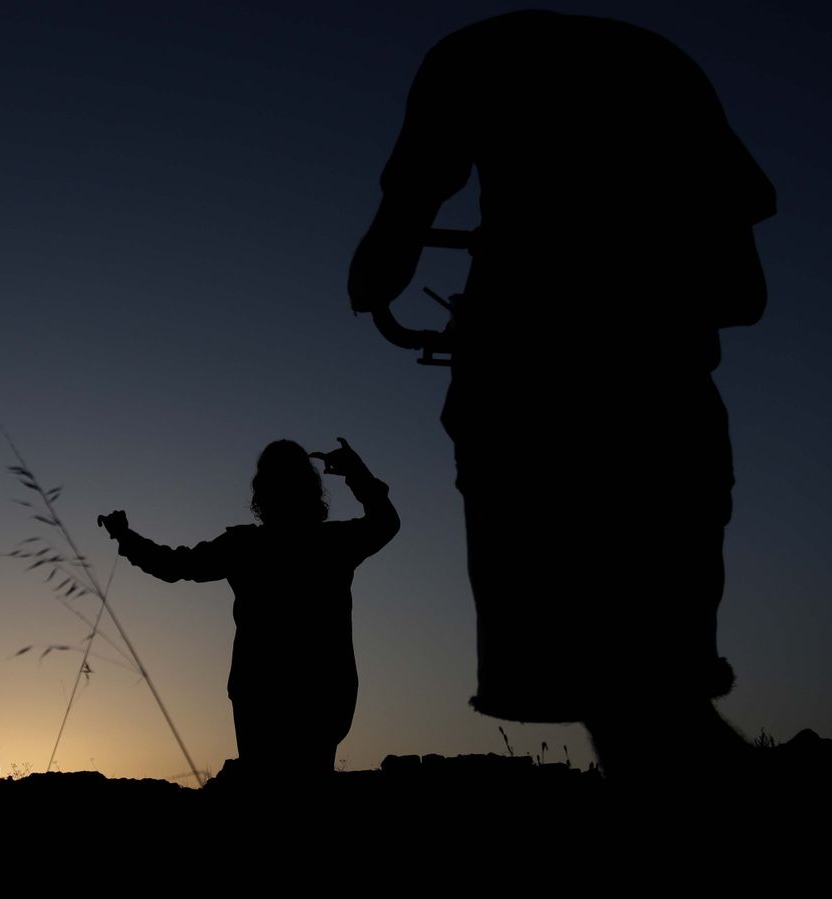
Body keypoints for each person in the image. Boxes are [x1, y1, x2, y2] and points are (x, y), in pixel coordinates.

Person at [347, 11, 775, 783]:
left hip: (528, 415)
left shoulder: (467, 58)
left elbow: (379, 264)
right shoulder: (665, 62)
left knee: (634, 707)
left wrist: (528, 284)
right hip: (671, 418)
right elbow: (743, 291)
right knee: (651, 692)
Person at [98, 438, 399, 778]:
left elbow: (174, 565)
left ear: (261, 492)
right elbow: (385, 523)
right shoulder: (333, 542)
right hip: (321, 690)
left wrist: (125, 537)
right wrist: (357, 473)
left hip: (263, 693)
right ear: (312, 488)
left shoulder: (246, 546)